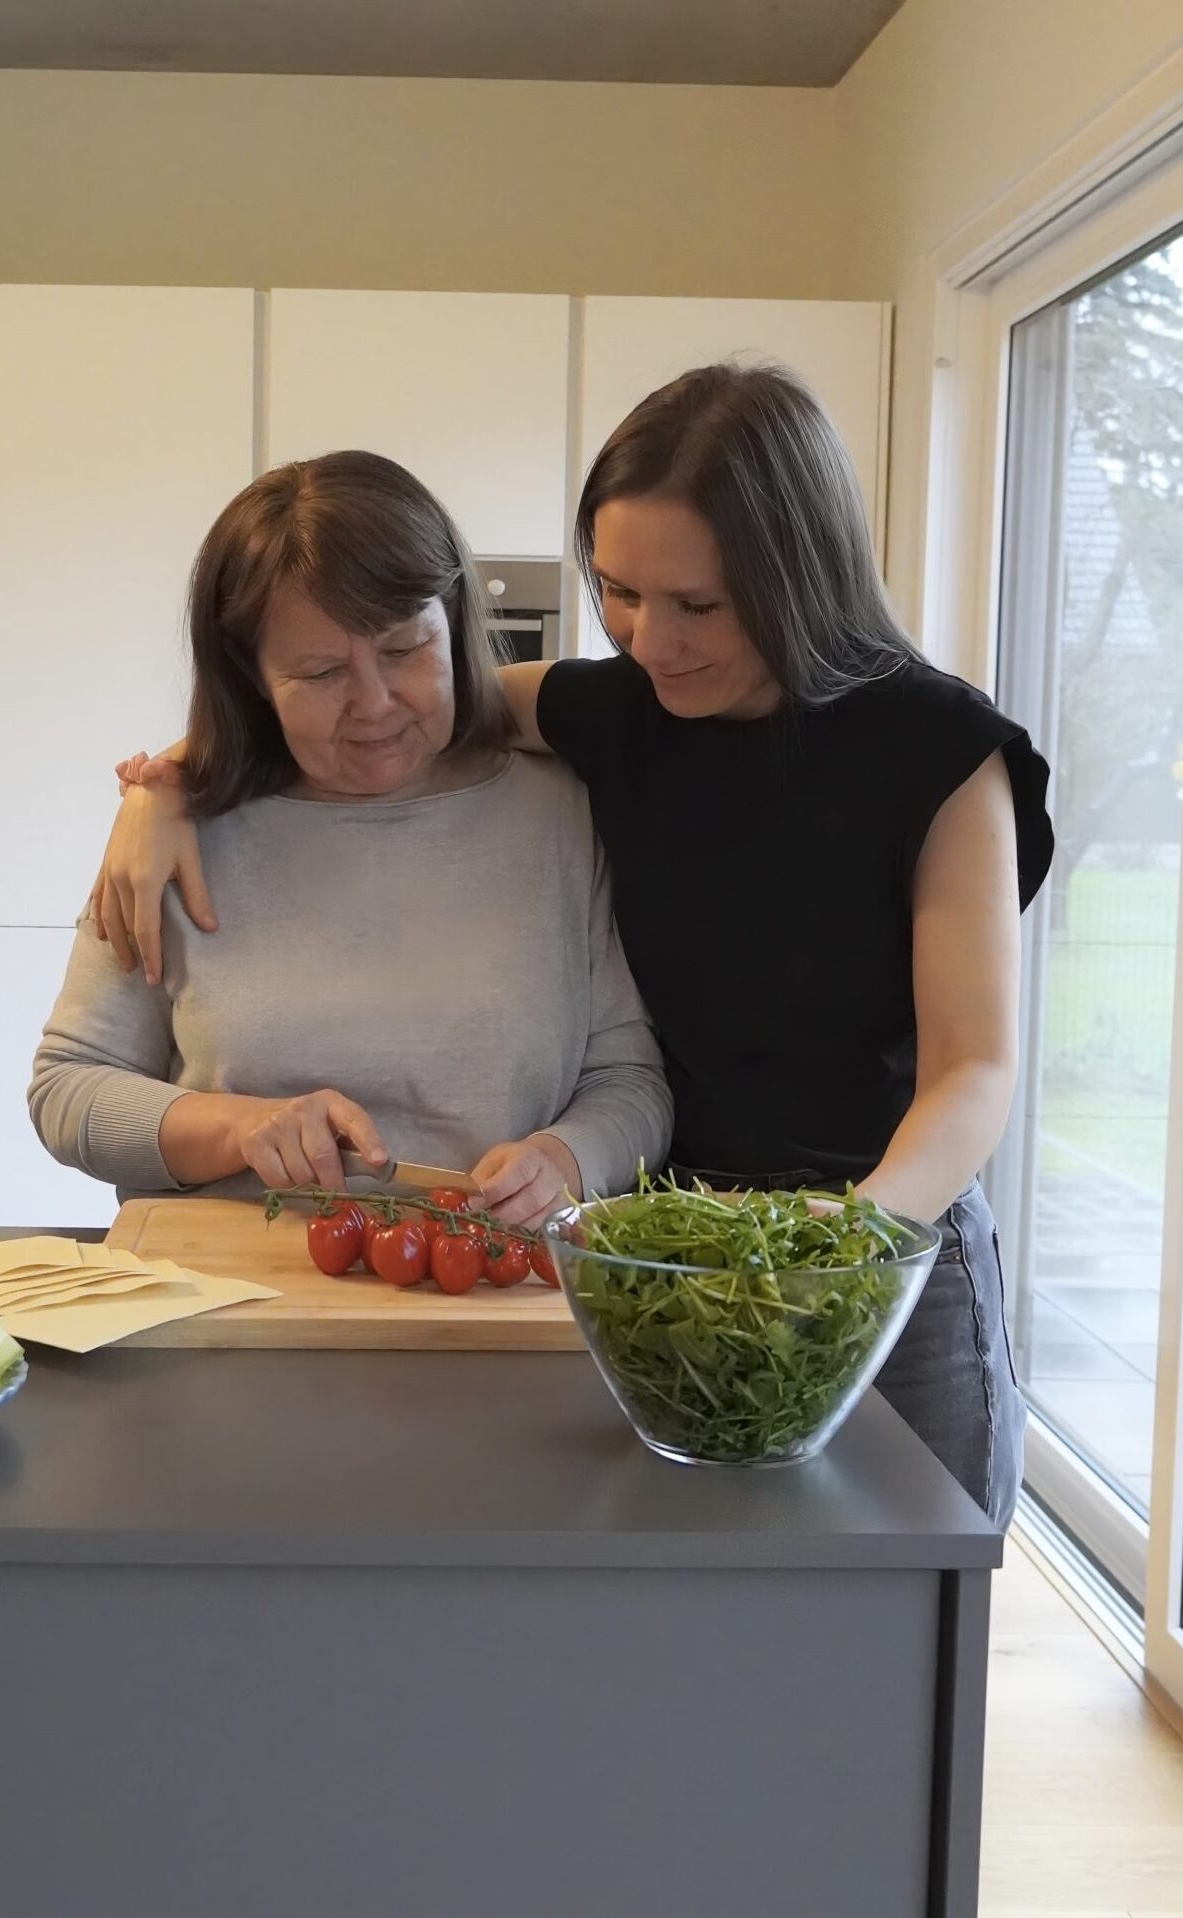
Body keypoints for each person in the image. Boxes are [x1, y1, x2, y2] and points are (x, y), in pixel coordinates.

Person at [87, 364, 1054, 1529]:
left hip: (881, 1251)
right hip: (656, 1248)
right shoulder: (619, 710)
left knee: (896, 1619)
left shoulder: (939, 751)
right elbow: (386, 708)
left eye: (698, 604)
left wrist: (841, 1241)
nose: (653, 640)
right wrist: (168, 787)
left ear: (798, 576)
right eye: (619, 594)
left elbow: (975, 1073)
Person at [29, 452, 671, 1227]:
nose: (373, 704)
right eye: (320, 672)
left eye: (404, 650)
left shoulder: (557, 813)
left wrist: (567, 1157)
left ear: (455, 617)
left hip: (494, 1287)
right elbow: (68, 1087)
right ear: (253, 678)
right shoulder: (173, 830)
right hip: (231, 1298)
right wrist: (237, 1127)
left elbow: (629, 1080)